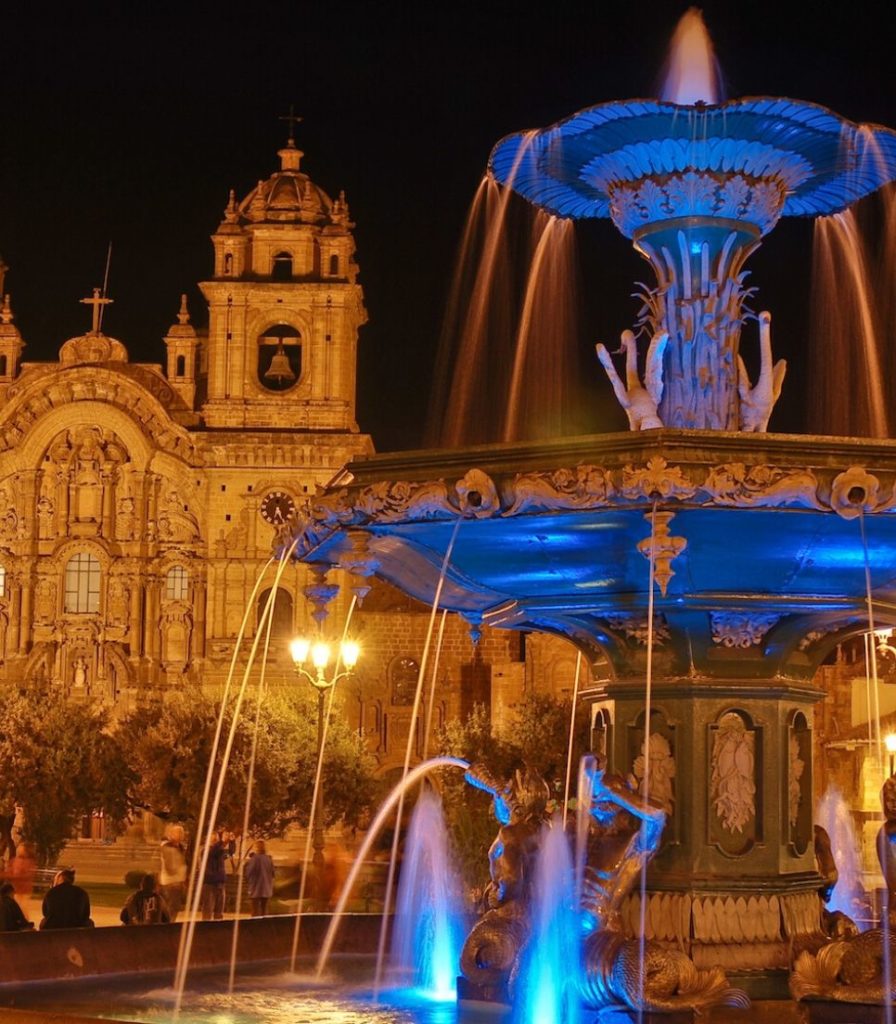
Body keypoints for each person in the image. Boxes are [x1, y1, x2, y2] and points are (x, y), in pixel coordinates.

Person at [200, 829, 234, 921]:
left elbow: (230, 854)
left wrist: (231, 842)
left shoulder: (220, 852)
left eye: (216, 838)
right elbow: (213, 852)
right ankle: (205, 930)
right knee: (208, 910)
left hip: (220, 883)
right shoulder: (206, 851)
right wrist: (221, 842)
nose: (215, 840)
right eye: (213, 838)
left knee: (219, 912)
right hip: (210, 884)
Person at [159, 824, 188, 921]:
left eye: (181, 833)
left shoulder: (180, 847)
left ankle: (169, 924)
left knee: (175, 907)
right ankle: (167, 927)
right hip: (170, 881)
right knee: (170, 907)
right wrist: (177, 873)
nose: (180, 835)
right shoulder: (167, 846)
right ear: (171, 834)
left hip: (178, 881)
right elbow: (169, 865)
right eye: (177, 833)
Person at [244, 840, 275, 917]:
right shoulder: (269, 859)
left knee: (255, 910)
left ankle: (255, 926)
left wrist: (247, 881)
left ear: (256, 848)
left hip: (256, 888)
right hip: (267, 888)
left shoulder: (254, 859)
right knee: (264, 910)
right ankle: (263, 926)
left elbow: (249, 872)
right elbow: (273, 873)